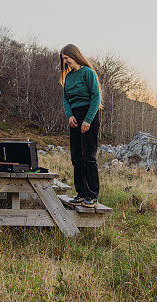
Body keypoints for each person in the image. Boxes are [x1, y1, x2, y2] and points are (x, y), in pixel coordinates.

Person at [60, 43, 102, 208]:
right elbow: (65, 99)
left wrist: (88, 120)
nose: (65, 61)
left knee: (88, 156)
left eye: (66, 58)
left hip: (89, 114)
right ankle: (81, 193)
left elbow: (96, 97)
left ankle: (92, 195)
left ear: (74, 55)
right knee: (76, 156)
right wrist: (69, 115)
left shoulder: (88, 72)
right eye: (63, 59)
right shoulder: (68, 77)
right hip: (74, 117)